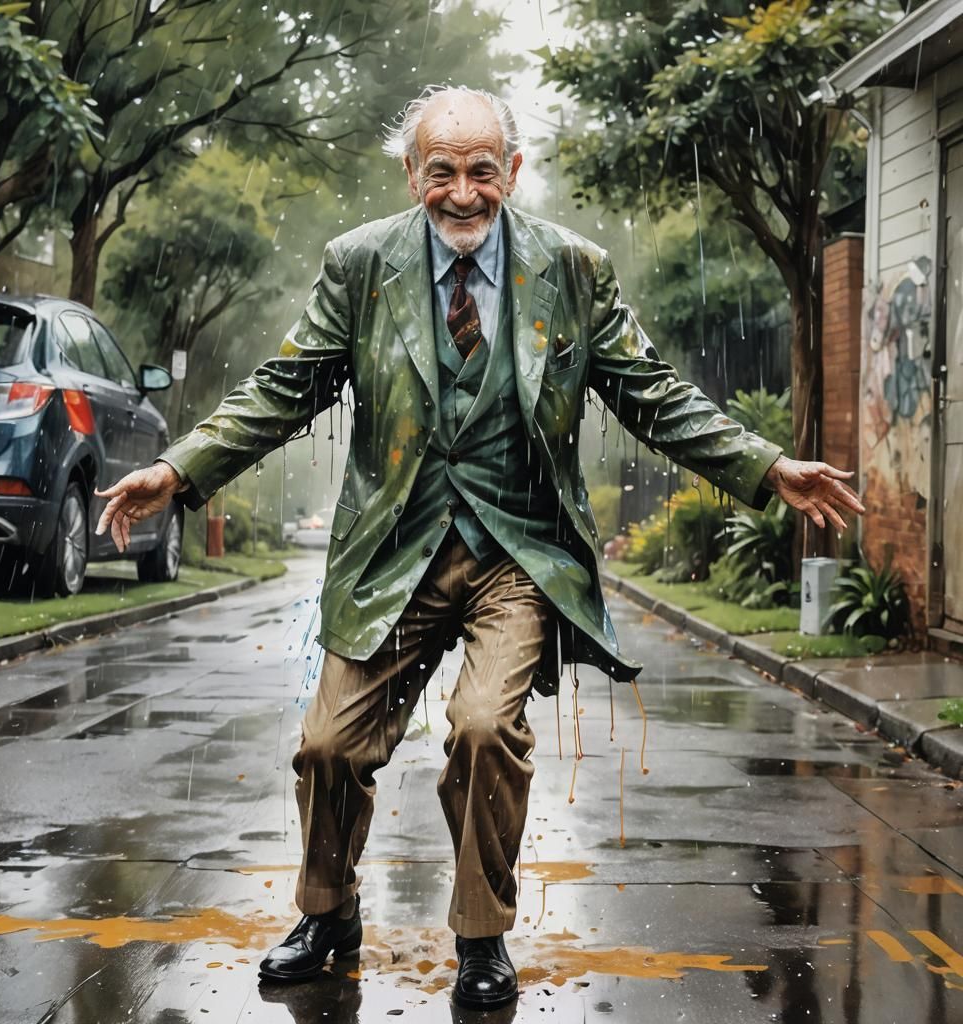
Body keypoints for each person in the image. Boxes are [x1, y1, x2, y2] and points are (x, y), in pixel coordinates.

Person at [95, 86, 864, 1010]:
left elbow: (653, 394)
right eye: (443, 171)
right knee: (329, 746)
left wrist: (764, 464)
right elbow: (282, 387)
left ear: (514, 171)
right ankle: (328, 912)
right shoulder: (360, 266)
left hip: (519, 551)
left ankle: (481, 933)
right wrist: (177, 469)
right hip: (395, 548)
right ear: (410, 173)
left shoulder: (571, 270)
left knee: (484, 728)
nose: (463, 193)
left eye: (482, 171)